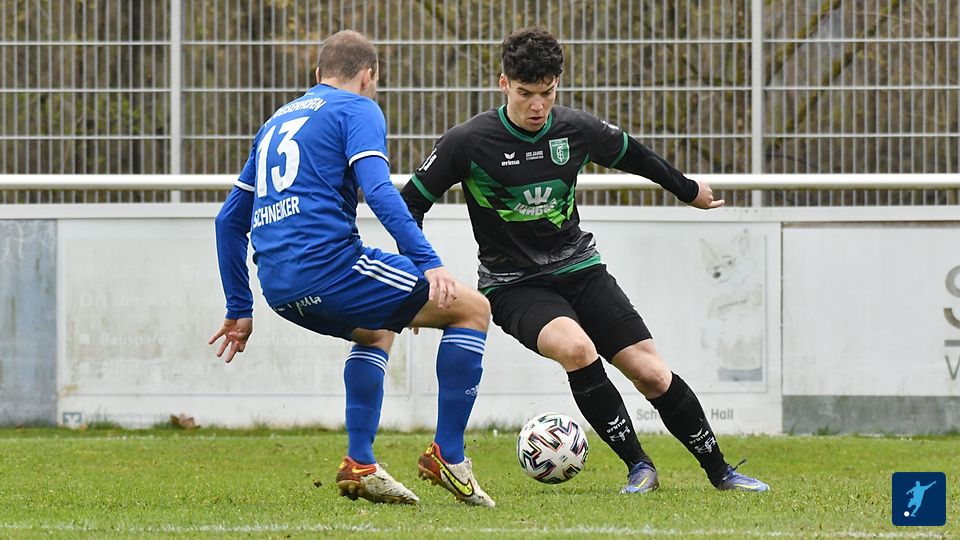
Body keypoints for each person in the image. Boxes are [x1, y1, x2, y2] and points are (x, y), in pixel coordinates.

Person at [401, 26, 769, 494]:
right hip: (513, 286)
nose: (537, 106)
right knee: (577, 349)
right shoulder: (468, 142)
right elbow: (409, 205)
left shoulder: (575, 129)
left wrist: (687, 189)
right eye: (526, 93)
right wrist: (417, 277)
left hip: (581, 269)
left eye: (547, 93)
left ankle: (722, 472)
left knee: (651, 372)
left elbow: (635, 156)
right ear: (503, 84)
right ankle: (640, 467)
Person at [209, 30, 494, 507]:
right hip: (330, 268)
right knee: (472, 309)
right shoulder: (358, 108)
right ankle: (448, 454)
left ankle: (360, 461)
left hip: (278, 287)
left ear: (317, 74)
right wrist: (428, 265)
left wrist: (240, 307)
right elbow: (378, 191)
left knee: (376, 332)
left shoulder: (277, 120)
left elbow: (228, 222)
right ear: (369, 75)